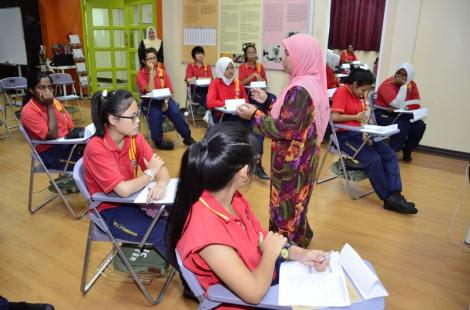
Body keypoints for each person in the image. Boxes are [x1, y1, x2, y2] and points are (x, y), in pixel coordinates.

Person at [166, 122, 329, 307]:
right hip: (245, 299)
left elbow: (262, 237)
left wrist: (300, 254)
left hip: (263, 276)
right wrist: (270, 253)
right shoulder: (207, 234)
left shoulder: (231, 198)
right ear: (244, 171)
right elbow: (253, 294)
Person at [237, 34, 330, 247]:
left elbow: (285, 128)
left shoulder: (300, 89)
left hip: (293, 163)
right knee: (298, 203)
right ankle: (299, 237)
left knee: (286, 208)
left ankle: (284, 251)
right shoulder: (308, 82)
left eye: (288, 53)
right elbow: (292, 116)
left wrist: (254, 115)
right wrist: (269, 99)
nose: (283, 58)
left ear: (302, 56)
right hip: (304, 157)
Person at [83, 89, 171, 262]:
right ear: (113, 120)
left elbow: (162, 170)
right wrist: (150, 173)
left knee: (181, 214)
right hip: (109, 211)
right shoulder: (96, 148)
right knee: (162, 233)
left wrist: (160, 185)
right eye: (132, 117)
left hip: (133, 200)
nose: (138, 121)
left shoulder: (134, 138)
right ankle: (191, 284)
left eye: (137, 114)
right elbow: (123, 190)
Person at [330, 68, 418, 214]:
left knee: (389, 155)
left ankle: (396, 194)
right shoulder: (342, 92)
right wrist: (355, 118)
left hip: (360, 134)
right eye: (363, 90)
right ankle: (387, 198)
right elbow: (334, 118)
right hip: (344, 136)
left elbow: (362, 118)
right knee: (373, 159)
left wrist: (365, 131)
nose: (364, 94)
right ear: (354, 84)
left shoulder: (359, 94)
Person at [207, 56, 269, 180]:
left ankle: (257, 163)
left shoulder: (238, 83)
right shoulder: (215, 83)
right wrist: (227, 103)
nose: (230, 71)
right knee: (240, 132)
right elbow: (210, 103)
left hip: (240, 115)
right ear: (220, 70)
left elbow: (245, 101)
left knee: (258, 130)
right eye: (227, 68)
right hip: (224, 116)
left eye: (232, 68)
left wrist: (239, 106)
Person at [21, 71, 83, 170]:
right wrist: (50, 105)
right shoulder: (28, 111)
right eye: (41, 88)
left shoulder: (55, 102)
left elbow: (71, 127)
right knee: (93, 157)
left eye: (50, 87)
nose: (47, 92)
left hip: (65, 143)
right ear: (31, 90)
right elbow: (52, 135)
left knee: (96, 146)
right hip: (49, 152)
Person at [136, 47, 195, 150]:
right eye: (149, 59)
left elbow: (170, 91)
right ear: (143, 61)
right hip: (150, 102)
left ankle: (188, 138)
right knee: (156, 113)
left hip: (165, 99)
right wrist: (150, 72)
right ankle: (158, 141)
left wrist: (166, 102)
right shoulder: (140, 75)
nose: (152, 61)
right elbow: (150, 90)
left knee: (175, 111)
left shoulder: (162, 72)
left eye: (154, 58)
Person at [375, 63, 426, 162]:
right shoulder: (387, 85)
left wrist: (403, 108)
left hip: (401, 114)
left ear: (410, 76)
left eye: (404, 75)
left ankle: (408, 149)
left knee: (420, 126)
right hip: (383, 114)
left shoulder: (411, 84)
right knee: (403, 125)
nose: (400, 77)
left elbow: (417, 103)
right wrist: (403, 87)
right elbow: (397, 105)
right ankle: (391, 153)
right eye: (399, 73)